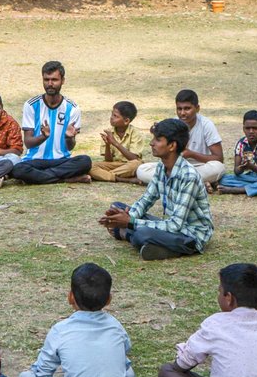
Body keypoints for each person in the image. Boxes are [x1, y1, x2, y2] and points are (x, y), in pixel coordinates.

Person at [16, 263, 135, 377]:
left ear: (70, 297)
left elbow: (41, 375)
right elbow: (124, 361)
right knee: (129, 373)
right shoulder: (116, 326)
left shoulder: (60, 330)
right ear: (109, 299)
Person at [100, 118, 214, 261]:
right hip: (171, 226)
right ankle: (155, 245)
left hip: (190, 234)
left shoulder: (188, 176)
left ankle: (128, 234)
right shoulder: (161, 166)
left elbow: (175, 225)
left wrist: (130, 222)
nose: (151, 143)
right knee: (117, 206)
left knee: (142, 234)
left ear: (172, 146)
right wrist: (127, 215)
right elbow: (147, 199)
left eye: (158, 140)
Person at [10, 61, 94, 184]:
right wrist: (43, 136)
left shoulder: (72, 108)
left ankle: (41, 178)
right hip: (36, 160)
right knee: (18, 169)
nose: (50, 84)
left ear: (63, 81)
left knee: (85, 161)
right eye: (46, 79)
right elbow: (28, 143)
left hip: (61, 160)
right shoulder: (31, 105)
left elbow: (70, 147)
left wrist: (69, 138)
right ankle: (66, 179)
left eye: (54, 80)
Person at [138, 90, 225, 187]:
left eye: (187, 108)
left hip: (199, 166)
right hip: (174, 166)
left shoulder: (206, 125)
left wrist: (191, 154)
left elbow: (219, 158)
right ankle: (193, 181)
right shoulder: (173, 123)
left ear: (197, 108)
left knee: (218, 168)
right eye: (179, 109)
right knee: (142, 170)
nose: (182, 113)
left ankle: (172, 181)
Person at [89, 101, 146, 183]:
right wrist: (108, 145)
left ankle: (103, 175)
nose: (111, 117)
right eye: (112, 114)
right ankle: (123, 178)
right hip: (114, 165)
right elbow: (108, 160)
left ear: (126, 121)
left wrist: (115, 143)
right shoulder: (109, 133)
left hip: (129, 165)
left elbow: (134, 158)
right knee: (91, 166)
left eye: (115, 116)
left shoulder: (135, 133)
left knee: (137, 164)